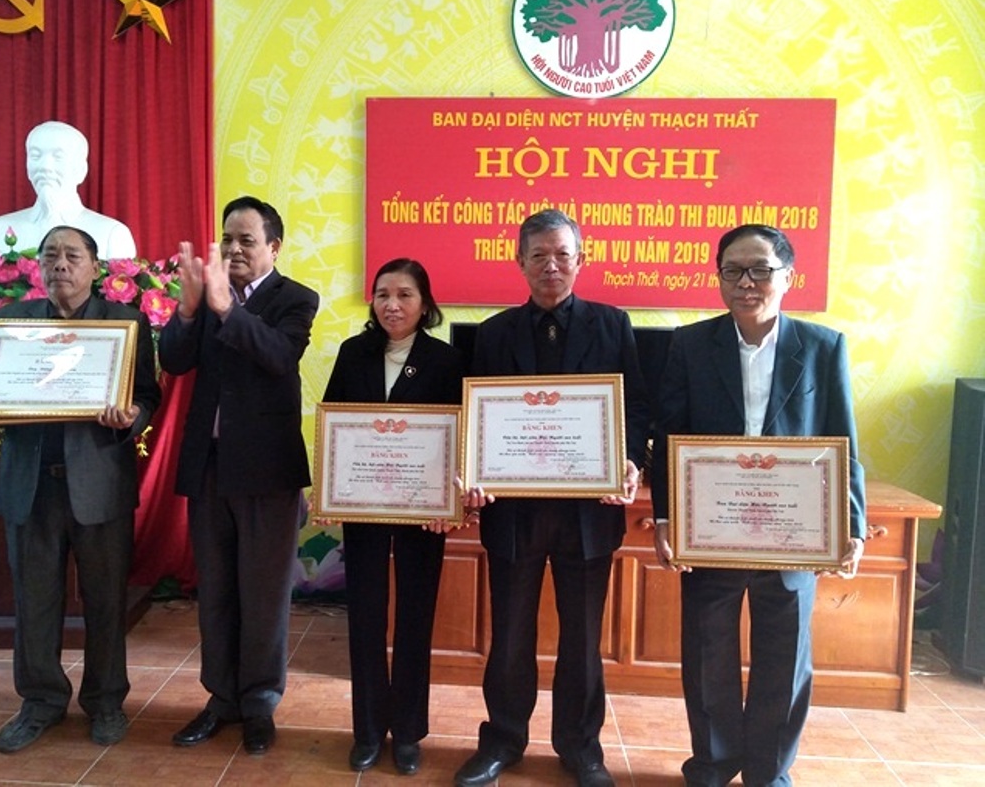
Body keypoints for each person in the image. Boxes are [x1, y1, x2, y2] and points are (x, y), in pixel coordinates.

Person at [648, 223, 866, 787]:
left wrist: (853, 524)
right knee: (707, 653)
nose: (746, 282)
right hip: (711, 528)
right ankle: (714, 764)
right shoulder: (690, 345)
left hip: (793, 532)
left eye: (761, 270)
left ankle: (769, 772)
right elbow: (669, 436)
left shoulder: (823, 347)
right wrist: (666, 518)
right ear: (719, 278)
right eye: (733, 271)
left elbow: (843, 440)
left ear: (788, 277)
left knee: (785, 657)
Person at [453, 209, 650, 787]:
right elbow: (474, 417)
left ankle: (581, 748)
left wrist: (630, 460)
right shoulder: (493, 333)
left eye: (563, 255)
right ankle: (502, 741)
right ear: (519, 262)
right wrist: (474, 468)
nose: (551, 266)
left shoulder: (612, 325)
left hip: (588, 514)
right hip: (513, 512)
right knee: (510, 635)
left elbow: (635, 407)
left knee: (583, 639)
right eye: (538, 255)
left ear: (580, 260)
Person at [0, 225, 161, 753]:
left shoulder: (125, 323)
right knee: (34, 601)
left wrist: (132, 416)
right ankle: (40, 700)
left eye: (72, 255)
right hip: (31, 487)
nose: (60, 264)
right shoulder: (10, 323)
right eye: (50, 255)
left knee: (106, 602)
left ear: (95, 267)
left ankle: (106, 702)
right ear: (38, 267)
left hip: (100, 486)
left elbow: (148, 396)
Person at [159, 195, 319, 756]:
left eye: (246, 240)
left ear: (274, 247)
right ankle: (221, 698)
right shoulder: (208, 296)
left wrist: (227, 310)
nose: (233, 249)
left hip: (268, 472)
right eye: (227, 239)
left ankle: (259, 703)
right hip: (209, 467)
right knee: (217, 592)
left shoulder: (296, 298)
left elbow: (278, 356)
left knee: (264, 595)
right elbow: (175, 361)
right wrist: (187, 310)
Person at [321, 258, 466, 776]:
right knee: (364, 617)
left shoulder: (446, 360)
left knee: (414, 619)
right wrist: (329, 493)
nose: (392, 305)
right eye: (383, 294)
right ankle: (366, 731)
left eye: (405, 295)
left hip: (423, 513)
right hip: (363, 507)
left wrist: (450, 504)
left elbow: (461, 437)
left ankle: (407, 732)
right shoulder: (353, 353)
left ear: (424, 304)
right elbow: (334, 423)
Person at [0, 120, 137, 259]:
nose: (45, 167)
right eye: (35, 156)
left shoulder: (112, 234)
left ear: (81, 170)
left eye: (58, 157)